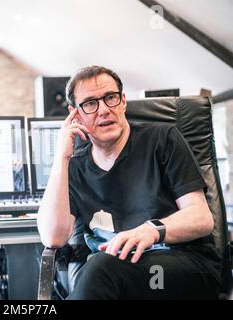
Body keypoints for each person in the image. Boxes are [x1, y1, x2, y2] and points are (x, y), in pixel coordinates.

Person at [37, 65, 222, 299]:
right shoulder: (75, 168)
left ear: (123, 101)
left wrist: (153, 230)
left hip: (180, 267)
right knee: (104, 270)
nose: (103, 110)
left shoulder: (164, 140)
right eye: (91, 104)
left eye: (110, 98)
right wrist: (60, 159)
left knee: (102, 270)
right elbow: (53, 237)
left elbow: (201, 218)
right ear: (75, 114)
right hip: (117, 272)